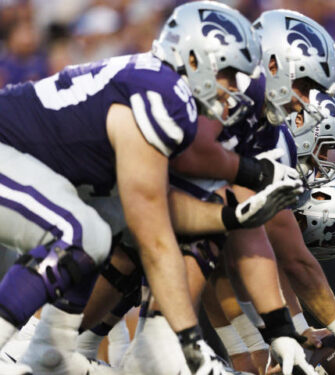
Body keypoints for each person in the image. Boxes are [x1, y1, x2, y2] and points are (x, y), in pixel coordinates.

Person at [0, 2, 303, 374]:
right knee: (81, 232)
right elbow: (155, 240)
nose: (231, 88)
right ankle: (18, 350)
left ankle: (48, 351)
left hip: (32, 167)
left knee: (100, 228)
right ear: (194, 59)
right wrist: (188, 342)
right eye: (227, 73)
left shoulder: (163, 90)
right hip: (7, 151)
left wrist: (232, 216)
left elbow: (158, 211)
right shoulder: (165, 97)